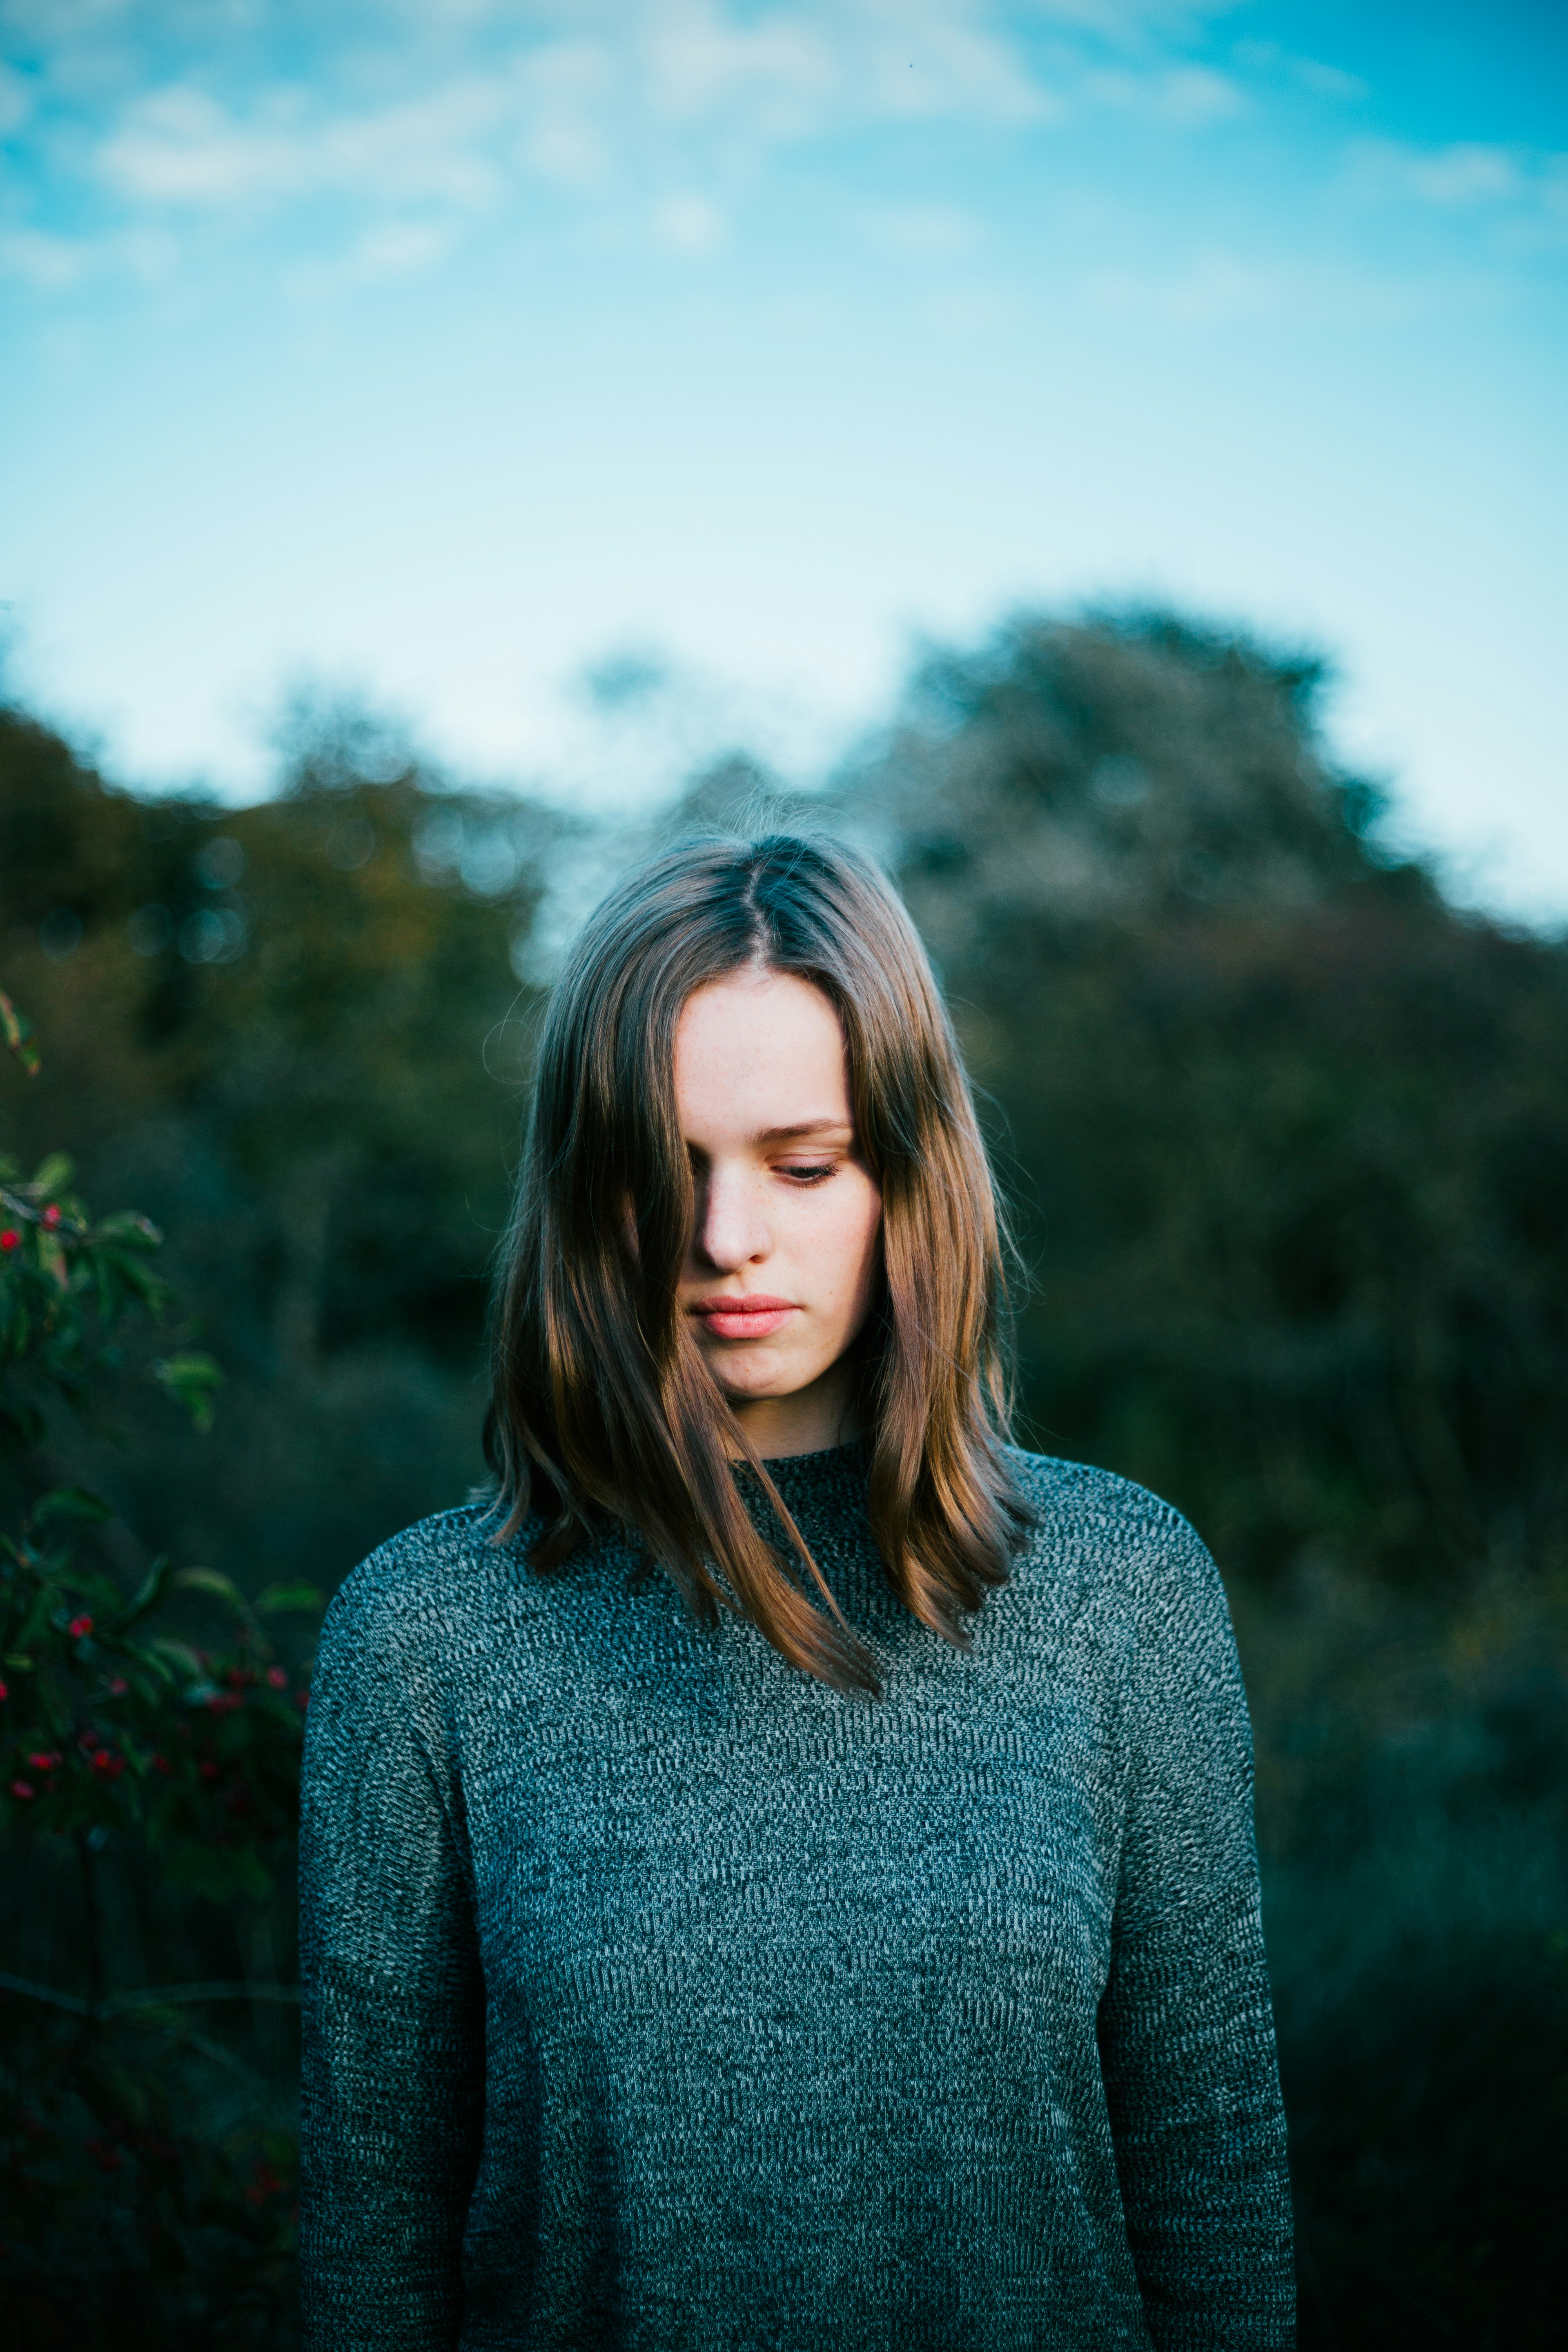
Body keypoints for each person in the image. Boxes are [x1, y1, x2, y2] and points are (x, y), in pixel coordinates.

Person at [298, 831, 1295, 2350]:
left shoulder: (1123, 1594)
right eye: (662, 1172)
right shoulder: (428, 1634)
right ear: (586, 1196)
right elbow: (371, 2251)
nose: (724, 1239)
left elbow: (1211, 2200)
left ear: (911, 1172)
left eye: (803, 1164)